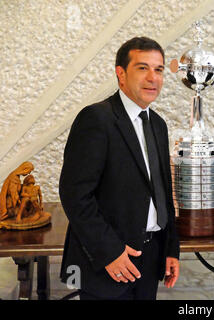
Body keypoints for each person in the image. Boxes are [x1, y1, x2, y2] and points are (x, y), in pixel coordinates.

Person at [59, 37, 180, 300]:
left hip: (150, 258)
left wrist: (171, 248)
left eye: (158, 70)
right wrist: (109, 253)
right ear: (121, 74)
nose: (153, 77)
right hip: (108, 261)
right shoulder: (96, 119)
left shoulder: (158, 124)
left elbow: (162, 190)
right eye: (142, 68)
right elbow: (75, 196)